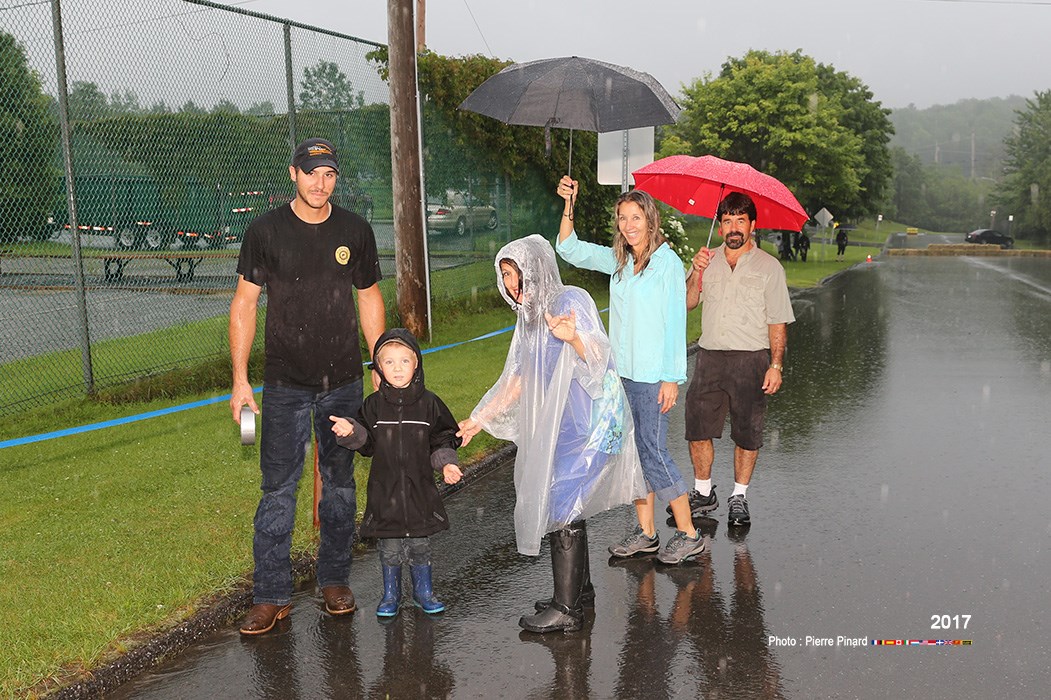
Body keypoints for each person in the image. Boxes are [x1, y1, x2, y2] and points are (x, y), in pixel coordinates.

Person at [229, 137, 386, 635]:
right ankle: (270, 595)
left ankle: (335, 580)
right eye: (312, 173)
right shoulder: (265, 232)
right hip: (284, 386)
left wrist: (379, 363)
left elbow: (369, 299)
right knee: (277, 490)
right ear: (293, 174)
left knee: (339, 487)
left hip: (343, 383)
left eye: (330, 174)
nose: (321, 183)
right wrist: (239, 380)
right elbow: (244, 306)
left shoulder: (355, 231)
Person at [457, 234, 646, 634]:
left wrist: (573, 337)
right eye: (505, 275)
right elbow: (518, 380)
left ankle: (567, 609)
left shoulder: (571, 301)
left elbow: (599, 355)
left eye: (515, 273)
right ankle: (579, 592)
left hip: (595, 422)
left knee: (561, 499)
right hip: (567, 425)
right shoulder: (529, 315)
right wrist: (477, 420)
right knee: (568, 502)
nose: (511, 284)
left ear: (536, 268)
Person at [554, 176, 705, 566]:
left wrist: (672, 377)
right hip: (622, 376)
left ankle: (689, 534)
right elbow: (569, 249)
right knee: (634, 456)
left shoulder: (668, 264)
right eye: (622, 218)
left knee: (654, 453)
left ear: (650, 220)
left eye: (635, 217)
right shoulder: (620, 261)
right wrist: (569, 204)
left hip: (655, 377)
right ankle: (647, 532)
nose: (628, 224)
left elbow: (676, 323)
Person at [330, 329, 462, 618]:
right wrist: (351, 431)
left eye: (404, 361)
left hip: (419, 490)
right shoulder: (373, 406)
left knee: (419, 546)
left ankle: (423, 593)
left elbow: (442, 438)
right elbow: (367, 443)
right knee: (389, 549)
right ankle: (390, 595)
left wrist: (447, 464)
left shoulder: (429, 403)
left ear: (417, 364)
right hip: (385, 491)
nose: (398, 368)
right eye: (389, 362)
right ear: (378, 369)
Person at [684, 192, 795, 527]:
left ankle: (739, 496)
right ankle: (703, 492)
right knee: (697, 428)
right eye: (728, 220)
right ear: (720, 227)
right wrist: (694, 272)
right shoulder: (707, 260)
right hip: (709, 357)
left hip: (751, 359)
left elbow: (777, 320)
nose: (734, 227)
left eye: (740, 220)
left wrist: (775, 365)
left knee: (747, 432)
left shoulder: (769, 267)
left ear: (752, 225)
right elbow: (688, 303)